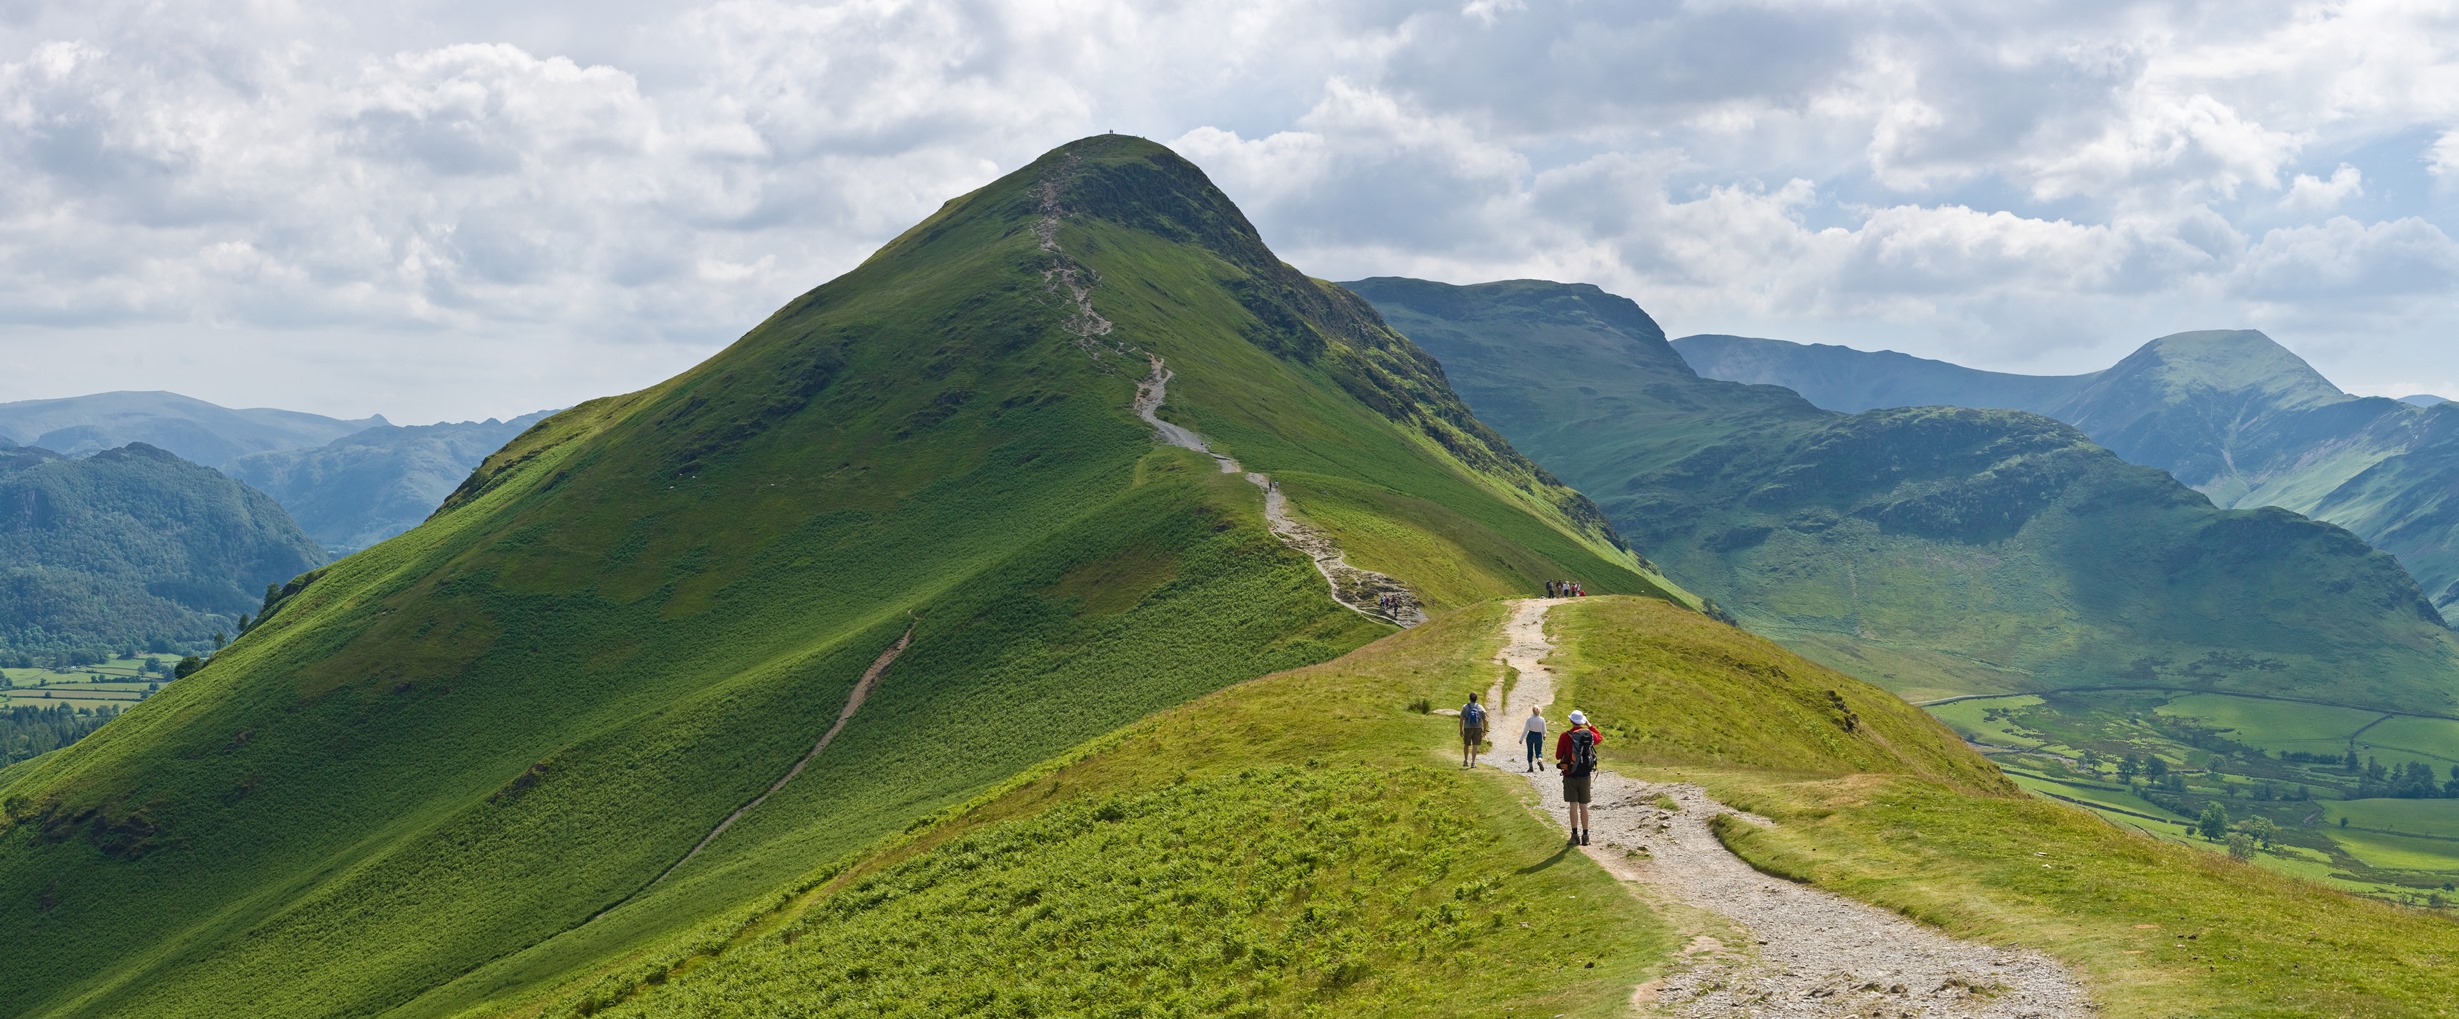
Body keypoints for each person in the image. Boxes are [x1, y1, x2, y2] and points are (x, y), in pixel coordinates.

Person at [1555, 709, 1603, 845]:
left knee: (1573, 806)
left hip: (1570, 774)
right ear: (1582, 721)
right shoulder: (1589, 735)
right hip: (1585, 775)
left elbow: (1558, 756)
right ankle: (1586, 836)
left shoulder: (1565, 736)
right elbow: (1599, 737)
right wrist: (1589, 725)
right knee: (1584, 807)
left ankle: (1574, 835)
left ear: (1571, 721)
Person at [1459, 692, 1488, 768]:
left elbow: (1461, 719)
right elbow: (1485, 720)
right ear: (1476, 699)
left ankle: (1465, 761)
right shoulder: (1480, 707)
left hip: (1467, 728)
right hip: (1478, 728)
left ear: (1469, 698)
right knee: (1475, 746)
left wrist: (1461, 730)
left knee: (1466, 745)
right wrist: (1484, 730)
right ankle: (1473, 763)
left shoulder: (1465, 707)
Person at [1522, 705, 1547, 772]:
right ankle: (1539, 759)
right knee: (1538, 750)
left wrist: (1521, 739)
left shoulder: (1529, 719)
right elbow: (1544, 730)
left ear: (1533, 711)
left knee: (1530, 751)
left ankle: (1530, 767)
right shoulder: (1542, 719)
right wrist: (1544, 735)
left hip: (1530, 735)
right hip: (1538, 735)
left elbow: (1525, 729)